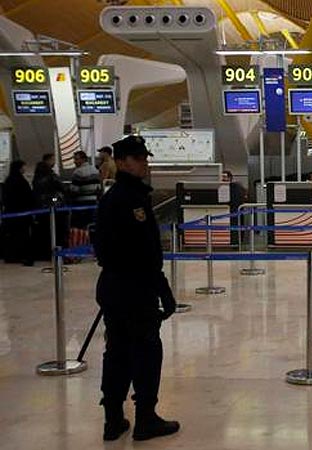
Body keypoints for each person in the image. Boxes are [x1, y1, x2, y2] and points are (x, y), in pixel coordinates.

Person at [94, 136, 179, 442]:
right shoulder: (128, 199)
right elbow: (143, 254)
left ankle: (113, 419)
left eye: (144, 157)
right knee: (145, 351)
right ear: (121, 162)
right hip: (133, 288)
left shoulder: (119, 197)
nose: (144, 162)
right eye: (137, 158)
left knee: (116, 352)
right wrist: (163, 291)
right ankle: (145, 417)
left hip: (116, 287)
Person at [32, 154, 67, 259]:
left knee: (44, 231)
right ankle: (56, 252)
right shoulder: (51, 175)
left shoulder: (37, 175)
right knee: (56, 230)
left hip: (41, 207)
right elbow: (61, 187)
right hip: (54, 205)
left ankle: (43, 253)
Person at [1, 160, 36, 266]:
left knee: (12, 235)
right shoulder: (21, 181)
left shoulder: (9, 180)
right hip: (22, 212)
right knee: (22, 235)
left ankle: (11, 255)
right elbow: (27, 196)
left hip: (11, 212)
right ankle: (21, 255)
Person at [70, 150, 101, 229]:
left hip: (81, 203)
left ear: (83, 159)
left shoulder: (78, 172)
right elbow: (99, 187)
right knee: (91, 225)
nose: (74, 161)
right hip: (93, 201)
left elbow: (74, 190)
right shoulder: (95, 170)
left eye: (76, 159)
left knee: (80, 226)